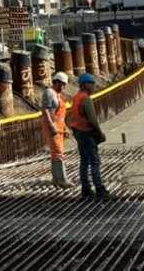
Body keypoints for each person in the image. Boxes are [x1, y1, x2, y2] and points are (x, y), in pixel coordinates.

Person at [66, 72, 112, 200]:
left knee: (84, 162)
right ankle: (99, 189)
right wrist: (100, 133)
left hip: (78, 133)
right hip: (87, 133)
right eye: (91, 84)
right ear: (85, 85)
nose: (93, 87)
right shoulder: (85, 99)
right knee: (95, 161)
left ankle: (85, 189)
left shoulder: (76, 97)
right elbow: (92, 120)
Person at [39, 71, 73, 189]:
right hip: (52, 127)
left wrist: (65, 128)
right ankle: (62, 179)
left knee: (57, 153)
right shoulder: (49, 93)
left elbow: (61, 115)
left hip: (59, 127)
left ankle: (56, 178)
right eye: (62, 84)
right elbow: (46, 111)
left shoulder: (58, 94)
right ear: (56, 82)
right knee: (58, 153)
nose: (64, 87)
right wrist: (51, 126)